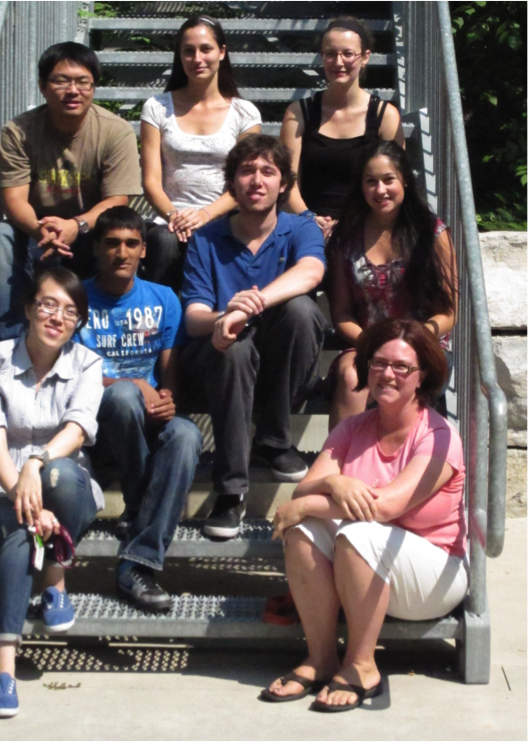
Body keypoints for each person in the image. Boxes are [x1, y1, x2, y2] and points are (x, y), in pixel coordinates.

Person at [262, 318, 468, 712]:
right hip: (371, 568)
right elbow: (305, 487)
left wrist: (307, 503)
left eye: (402, 367)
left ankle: (361, 666)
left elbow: (383, 507)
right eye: (379, 363)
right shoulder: (354, 427)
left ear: (422, 377)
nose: (387, 374)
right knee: (304, 531)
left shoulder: (439, 438)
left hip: (434, 576)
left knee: (355, 533)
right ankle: (321, 658)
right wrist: (334, 484)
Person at [0, 268, 104, 718]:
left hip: (66, 488)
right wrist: (22, 497)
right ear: (28, 308)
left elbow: (78, 429)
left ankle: (55, 574)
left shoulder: (87, 363)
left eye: (70, 311)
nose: (57, 317)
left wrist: (35, 463)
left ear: (78, 322)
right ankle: (4, 666)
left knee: (59, 473)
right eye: (47, 305)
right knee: (22, 535)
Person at [181, 134, 326, 540]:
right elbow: (193, 317)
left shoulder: (301, 228)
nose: (257, 180)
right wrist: (223, 319)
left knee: (302, 311)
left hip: (278, 356)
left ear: (284, 184)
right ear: (232, 183)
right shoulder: (206, 238)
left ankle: (274, 440)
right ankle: (231, 492)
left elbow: (311, 273)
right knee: (234, 349)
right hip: (220, 356)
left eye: (268, 171)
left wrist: (247, 307)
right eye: (246, 171)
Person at [76, 206, 202, 610]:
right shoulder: (77, 298)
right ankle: (138, 500)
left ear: (144, 250)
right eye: (112, 243)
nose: (122, 252)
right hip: (96, 424)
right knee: (123, 396)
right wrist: (130, 384)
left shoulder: (163, 298)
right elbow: (73, 375)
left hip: (145, 418)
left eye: (132, 243)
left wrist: (167, 398)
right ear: (96, 248)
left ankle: (137, 564)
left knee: (187, 435)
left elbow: (169, 371)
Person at [0, 41, 142, 340]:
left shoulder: (115, 131)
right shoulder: (19, 132)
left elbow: (117, 200)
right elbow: (13, 200)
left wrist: (76, 225)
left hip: (91, 233)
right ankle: (12, 343)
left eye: (83, 82)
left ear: (93, 87)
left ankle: (104, 336)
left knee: (121, 237)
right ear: (42, 86)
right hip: (37, 233)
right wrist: (41, 230)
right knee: (2, 236)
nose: (73, 90)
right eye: (61, 81)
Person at [327, 140, 457, 430]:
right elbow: (342, 314)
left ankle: (399, 453)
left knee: (408, 374)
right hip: (366, 344)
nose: (380, 190)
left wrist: (413, 340)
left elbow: (448, 312)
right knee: (351, 376)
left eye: (388, 180)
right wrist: (374, 346)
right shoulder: (345, 238)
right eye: (371, 182)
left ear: (405, 181)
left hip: (424, 344)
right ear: (361, 187)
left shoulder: (433, 234)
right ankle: (339, 457)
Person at [140, 14, 261, 291]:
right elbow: (150, 182)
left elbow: (244, 182)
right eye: (188, 51)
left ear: (222, 52)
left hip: (225, 219)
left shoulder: (245, 113)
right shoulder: (157, 107)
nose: (197, 58)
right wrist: (175, 217)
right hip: (169, 220)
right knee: (164, 240)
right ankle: (162, 315)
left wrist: (206, 215)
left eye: (206, 49)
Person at [280, 16, 404, 239]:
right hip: (308, 228)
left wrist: (350, 224)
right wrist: (310, 219)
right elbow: (287, 182)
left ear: (365, 57)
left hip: (367, 230)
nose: (338, 63)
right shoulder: (298, 114)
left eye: (348, 54)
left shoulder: (385, 116)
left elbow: (395, 184)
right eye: (330, 54)